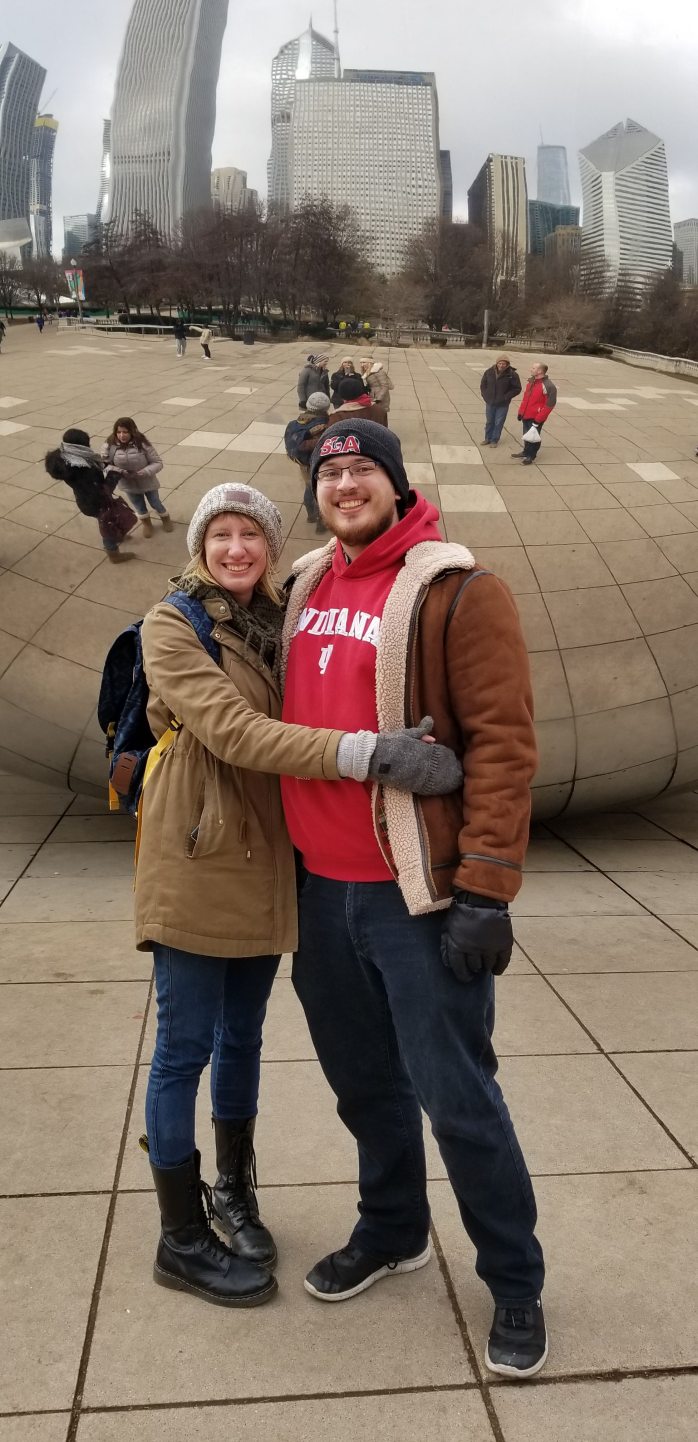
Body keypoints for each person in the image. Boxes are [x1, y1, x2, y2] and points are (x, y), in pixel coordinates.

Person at [135, 480, 464, 1308]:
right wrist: (367, 754)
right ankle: (180, 1236)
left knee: (243, 1037)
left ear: (272, 548)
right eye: (221, 534)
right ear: (200, 545)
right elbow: (235, 731)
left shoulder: (280, 618)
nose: (236, 549)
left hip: (268, 859)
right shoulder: (173, 624)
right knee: (184, 1047)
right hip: (197, 855)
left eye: (252, 534)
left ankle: (234, 1195)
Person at [281, 418, 547, 1380]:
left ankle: (514, 1282)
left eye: (364, 470)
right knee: (365, 1089)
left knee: (458, 1099)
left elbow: (505, 746)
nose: (346, 484)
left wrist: (487, 887)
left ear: (396, 484)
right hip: (319, 894)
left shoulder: (458, 590)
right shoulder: (304, 584)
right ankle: (393, 1229)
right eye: (331, 472)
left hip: (417, 901)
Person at [45, 428, 137, 563]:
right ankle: (113, 553)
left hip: (85, 501)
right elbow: (102, 489)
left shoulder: (68, 458)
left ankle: (117, 535)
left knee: (109, 521)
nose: (88, 447)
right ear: (79, 446)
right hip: (96, 502)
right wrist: (114, 474)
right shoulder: (80, 468)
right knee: (108, 525)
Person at [102, 417, 173, 535]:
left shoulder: (142, 444)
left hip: (147, 481)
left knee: (155, 502)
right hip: (128, 484)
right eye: (119, 432)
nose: (122, 435)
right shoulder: (109, 446)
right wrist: (120, 471)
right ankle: (147, 524)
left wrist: (144, 472)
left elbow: (157, 463)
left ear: (132, 431)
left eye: (125, 432)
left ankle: (165, 518)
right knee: (139, 506)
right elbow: (105, 465)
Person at [284, 392, 332, 532]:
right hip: (319, 462)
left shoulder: (298, 422)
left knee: (309, 487)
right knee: (320, 490)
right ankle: (321, 522)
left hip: (304, 463)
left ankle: (311, 515)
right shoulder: (324, 424)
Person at [512, 362, 557, 465]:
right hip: (526, 415)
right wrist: (520, 412)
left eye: (533, 368)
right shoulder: (531, 382)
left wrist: (538, 419)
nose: (531, 369)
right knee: (526, 435)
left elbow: (549, 405)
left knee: (534, 437)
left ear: (540, 371)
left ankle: (531, 456)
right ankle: (525, 452)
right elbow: (525, 399)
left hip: (536, 417)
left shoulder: (549, 386)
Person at [479, 355, 521, 447]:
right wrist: (485, 395)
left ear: (507, 364)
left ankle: (494, 440)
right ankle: (487, 438)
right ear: (497, 363)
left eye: (503, 364)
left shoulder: (512, 374)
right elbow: (483, 384)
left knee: (498, 422)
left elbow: (517, 389)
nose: (501, 365)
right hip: (490, 402)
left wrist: (506, 397)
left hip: (503, 404)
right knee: (489, 421)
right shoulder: (489, 372)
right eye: (500, 363)